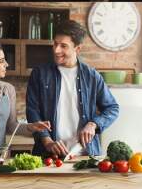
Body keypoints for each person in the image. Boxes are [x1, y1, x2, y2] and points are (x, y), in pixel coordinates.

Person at [26, 20, 119, 157]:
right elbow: (32, 110)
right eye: (55, 44)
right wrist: (47, 141)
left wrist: (93, 124)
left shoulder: (92, 76)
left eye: (63, 46)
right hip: (48, 155)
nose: (56, 50)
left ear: (77, 48)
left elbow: (112, 108)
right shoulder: (39, 74)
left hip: (85, 155)